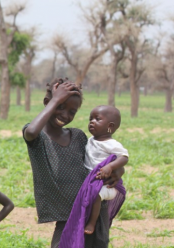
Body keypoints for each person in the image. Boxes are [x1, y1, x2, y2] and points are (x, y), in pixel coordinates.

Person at [22, 78, 125, 248]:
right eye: (60, 106)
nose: (65, 115)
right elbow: (31, 132)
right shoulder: (39, 138)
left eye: (72, 111)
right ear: (47, 103)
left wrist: (117, 172)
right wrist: (56, 99)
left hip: (94, 210)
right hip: (67, 215)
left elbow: (101, 161)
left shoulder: (77, 136)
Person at [59, 105, 128, 247]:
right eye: (90, 118)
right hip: (93, 182)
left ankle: (91, 223)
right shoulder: (90, 140)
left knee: (95, 195)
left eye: (97, 119)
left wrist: (110, 166)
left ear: (110, 126)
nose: (92, 122)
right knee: (90, 195)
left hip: (106, 185)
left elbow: (124, 157)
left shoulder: (111, 144)